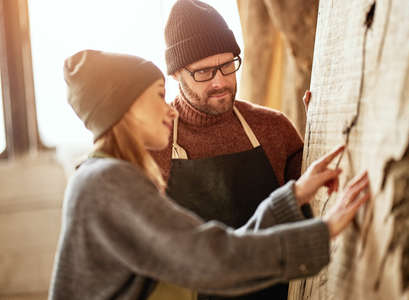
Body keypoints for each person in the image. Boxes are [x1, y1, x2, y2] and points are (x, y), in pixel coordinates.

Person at [48, 49, 370, 300]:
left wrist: (295, 195)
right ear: (126, 107)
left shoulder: (101, 177)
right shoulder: (107, 183)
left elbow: (211, 251)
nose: (170, 109)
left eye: (227, 64)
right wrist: (323, 232)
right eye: (160, 95)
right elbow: (212, 259)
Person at [151, 1, 312, 298]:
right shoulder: (153, 145)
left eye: (227, 65)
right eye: (203, 72)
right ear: (175, 74)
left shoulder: (274, 129)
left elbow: (311, 214)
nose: (220, 82)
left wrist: (318, 128)